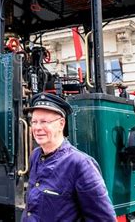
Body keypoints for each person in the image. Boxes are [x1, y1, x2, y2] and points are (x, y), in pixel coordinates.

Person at [22, 92, 115, 221]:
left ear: (61, 124)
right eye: (34, 122)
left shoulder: (81, 164)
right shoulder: (36, 155)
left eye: (44, 122)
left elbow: (104, 219)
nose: (37, 128)